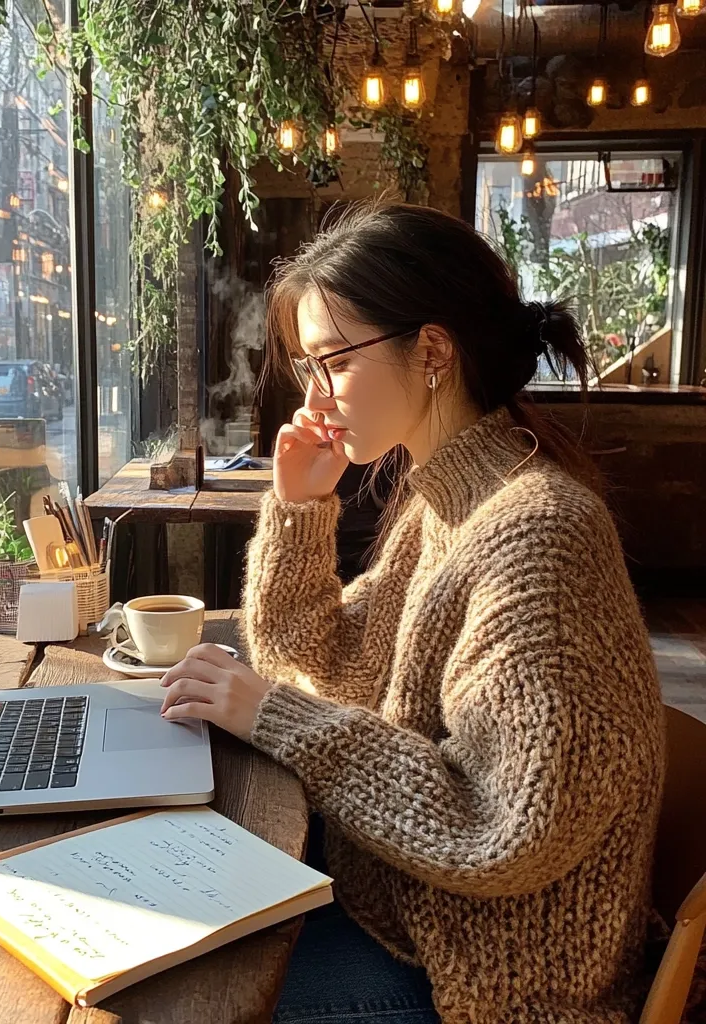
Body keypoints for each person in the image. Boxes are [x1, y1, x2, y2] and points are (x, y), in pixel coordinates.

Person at [158, 202, 665, 1024]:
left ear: (430, 350)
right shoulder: (446, 504)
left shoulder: (539, 531)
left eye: (333, 363)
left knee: (175, 1000)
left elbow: (507, 826)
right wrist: (300, 507)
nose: (315, 397)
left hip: (483, 984)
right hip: (403, 916)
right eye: (308, 369)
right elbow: (317, 664)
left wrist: (277, 718)